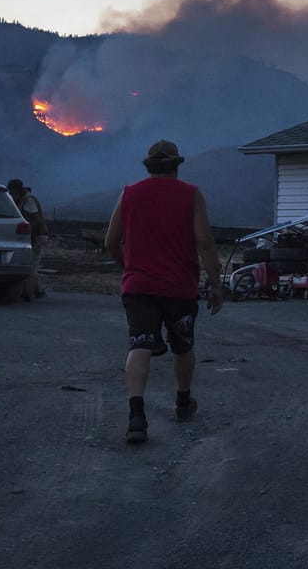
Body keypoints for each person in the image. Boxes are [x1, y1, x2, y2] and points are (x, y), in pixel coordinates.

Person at [104, 139, 224, 444]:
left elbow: (110, 241)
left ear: (149, 166)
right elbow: (205, 241)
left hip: (139, 287)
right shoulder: (191, 195)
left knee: (139, 345)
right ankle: (183, 403)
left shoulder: (129, 194)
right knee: (182, 346)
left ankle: (136, 417)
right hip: (179, 289)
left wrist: (129, 268)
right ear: (176, 165)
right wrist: (216, 283)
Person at [6, 179, 48, 300]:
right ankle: (36, 290)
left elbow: (35, 219)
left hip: (36, 236)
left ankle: (30, 293)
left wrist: (31, 236)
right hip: (32, 236)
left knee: (32, 265)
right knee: (31, 264)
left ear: (16, 189)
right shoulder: (22, 199)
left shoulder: (28, 200)